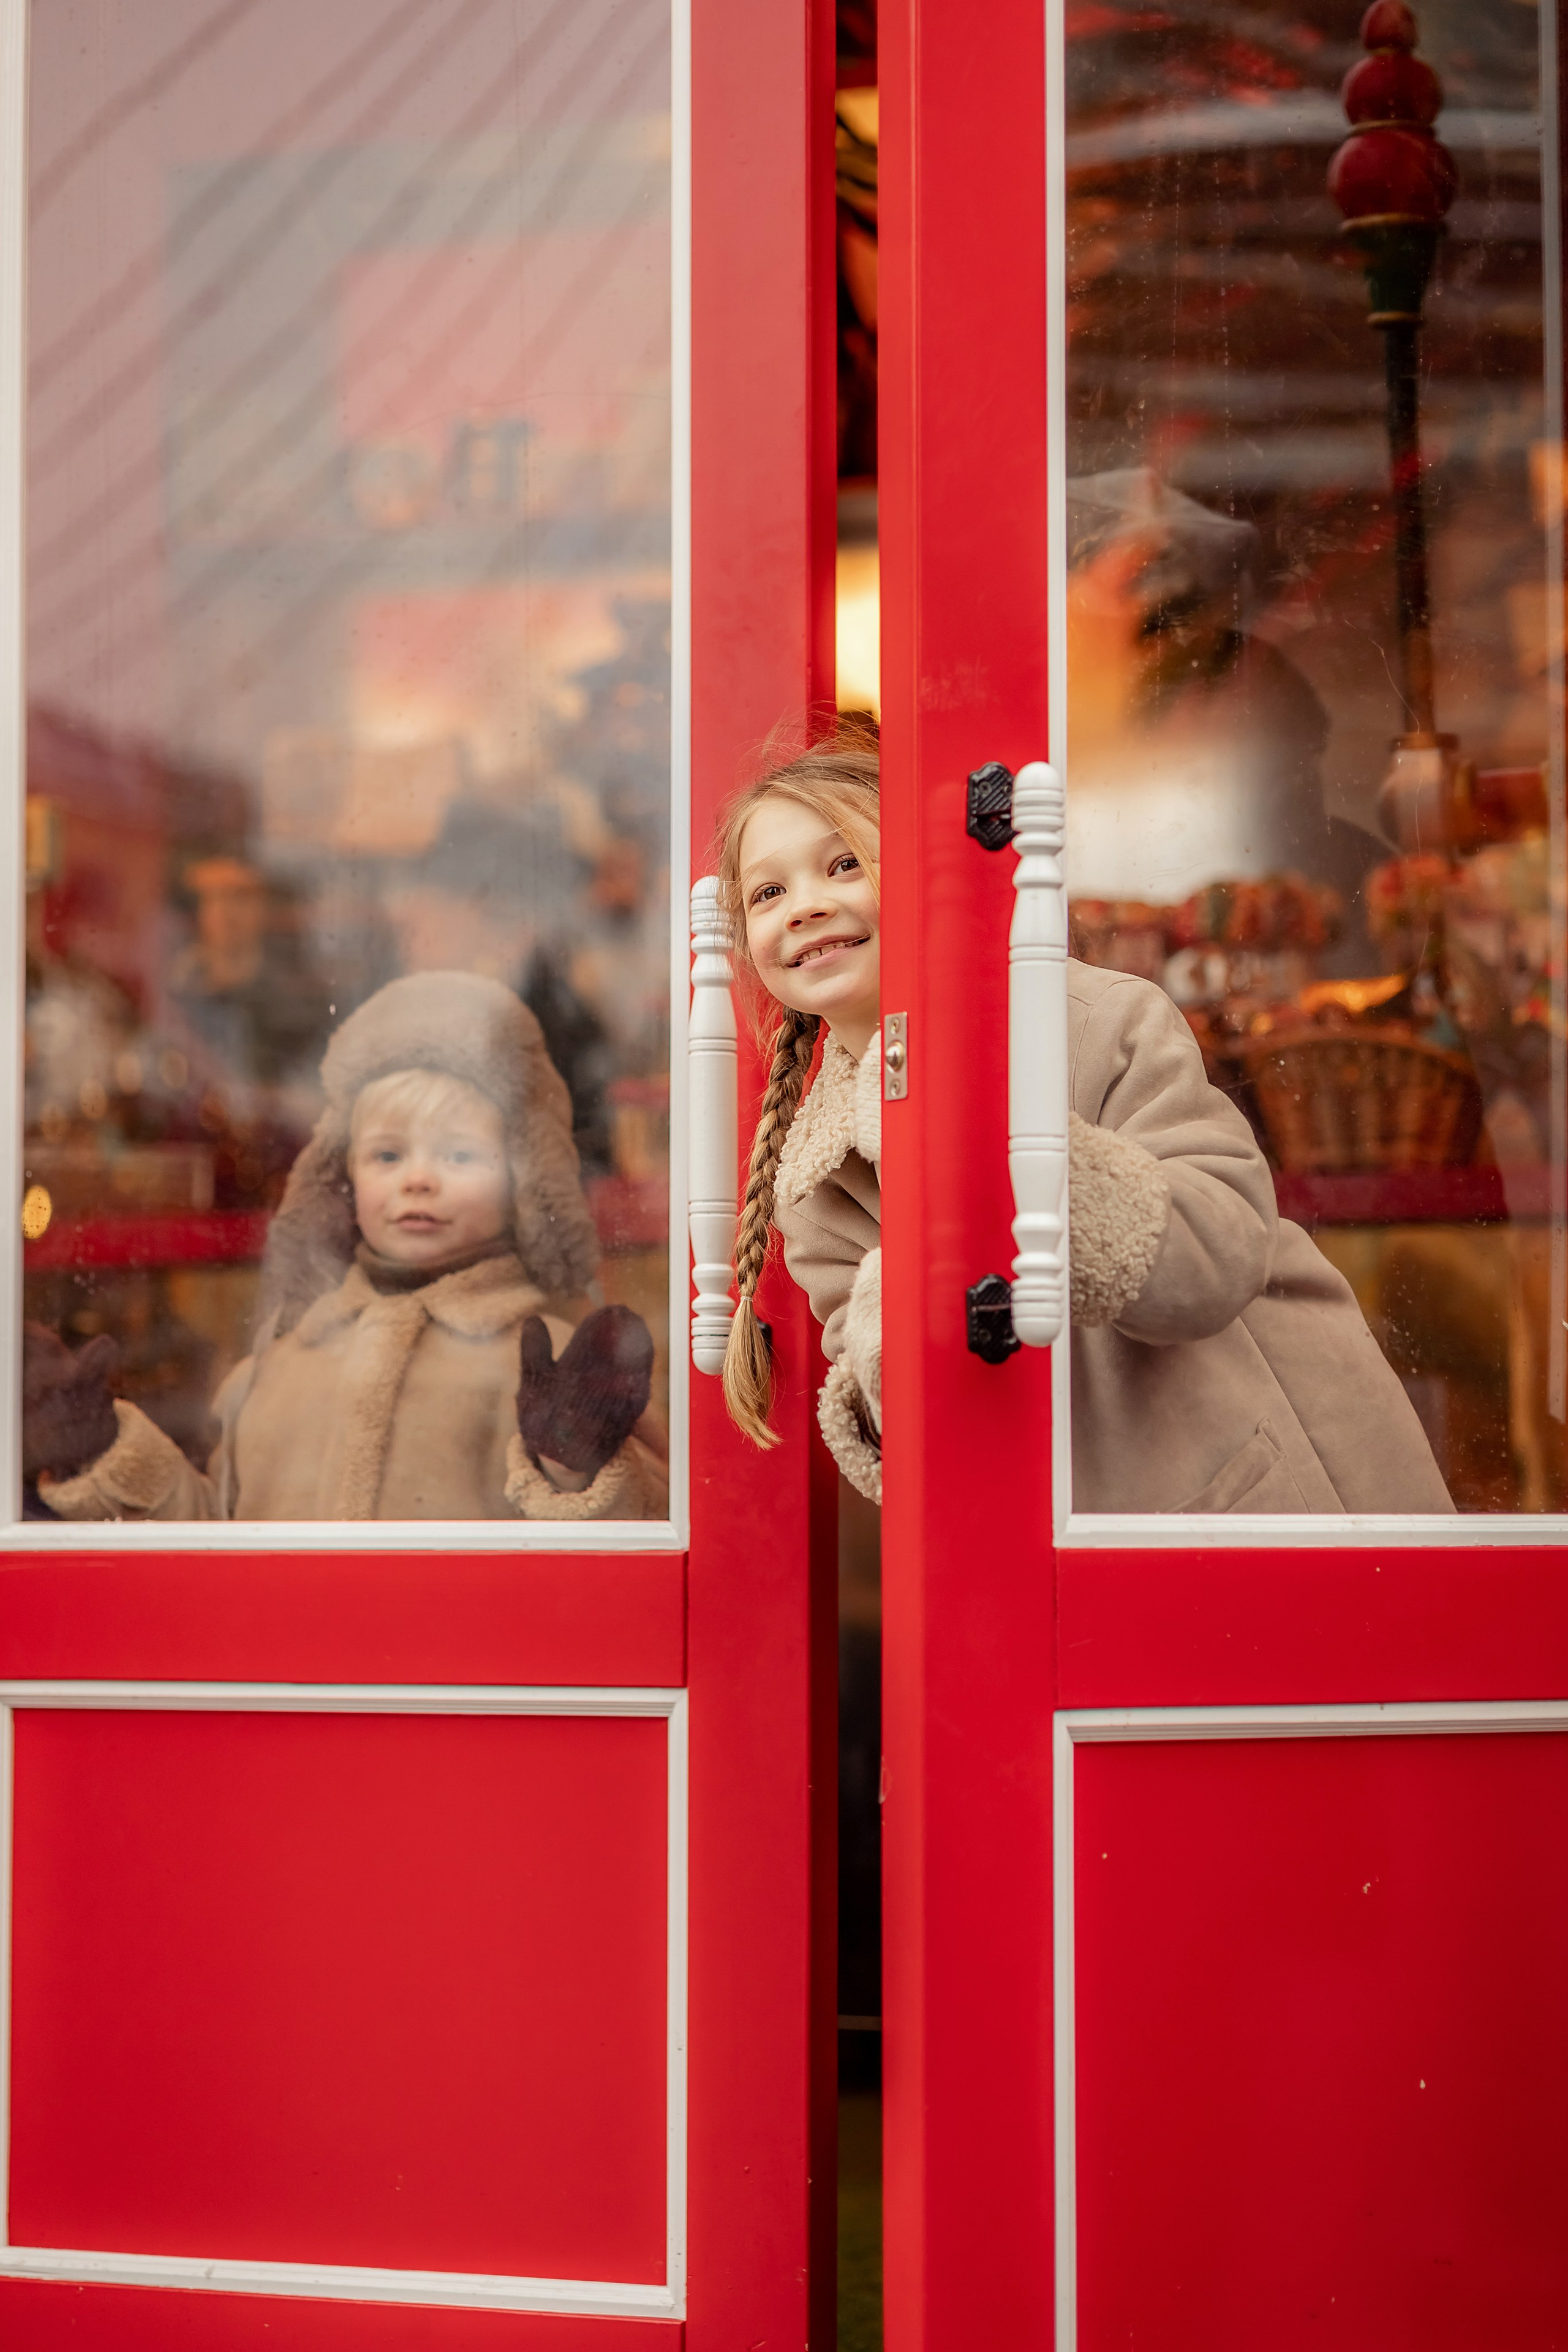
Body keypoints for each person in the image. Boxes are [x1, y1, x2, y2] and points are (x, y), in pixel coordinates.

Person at [715, 730, 1453, 1516]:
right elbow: (889, 1419)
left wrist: (990, 1149)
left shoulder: (1097, 1020)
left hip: (1278, 1500)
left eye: (844, 864)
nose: (807, 906)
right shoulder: (813, 1183)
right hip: (1058, 1547)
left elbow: (1221, 1243)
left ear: (930, 874)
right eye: (768, 893)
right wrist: (885, 1342)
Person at [23, 971, 666, 1523]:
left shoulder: (549, 1369)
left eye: (459, 1154)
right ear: (343, 1178)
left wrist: (573, 1465)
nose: (419, 1177)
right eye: (388, 1154)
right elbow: (211, 1533)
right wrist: (102, 1448)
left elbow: (640, 1544)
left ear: (522, 1182)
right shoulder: (274, 1374)